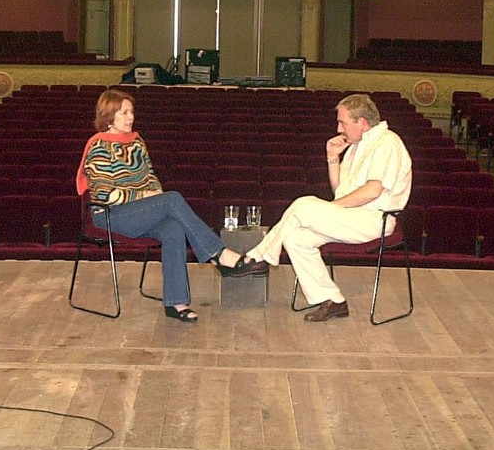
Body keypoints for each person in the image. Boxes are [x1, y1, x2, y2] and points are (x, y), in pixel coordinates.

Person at [232, 93, 412, 322]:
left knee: (303, 204)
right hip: (352, 217)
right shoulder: (357, 146)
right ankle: (333, 300)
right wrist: (332, 159)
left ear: (362, 123)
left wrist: (330, 208)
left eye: (343, 123)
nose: (339, 129)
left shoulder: (387, 142)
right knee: (296, 238)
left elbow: (372, 192)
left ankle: (258, 257)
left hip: (376, 219)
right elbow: (342, 192)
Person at [76, 89, 230, 322]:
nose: (131, 117)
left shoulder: (136, 141)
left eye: (132, 112)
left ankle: (175, 303)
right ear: (109, 116)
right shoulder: (98, 147)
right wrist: (146, 196)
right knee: (172, 199)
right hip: (109, 215)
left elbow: (150, 177)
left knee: (173, 228)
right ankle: (217, 253)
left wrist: (153, 192)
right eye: (124, 112)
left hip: (136, 213)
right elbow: (105, 194)